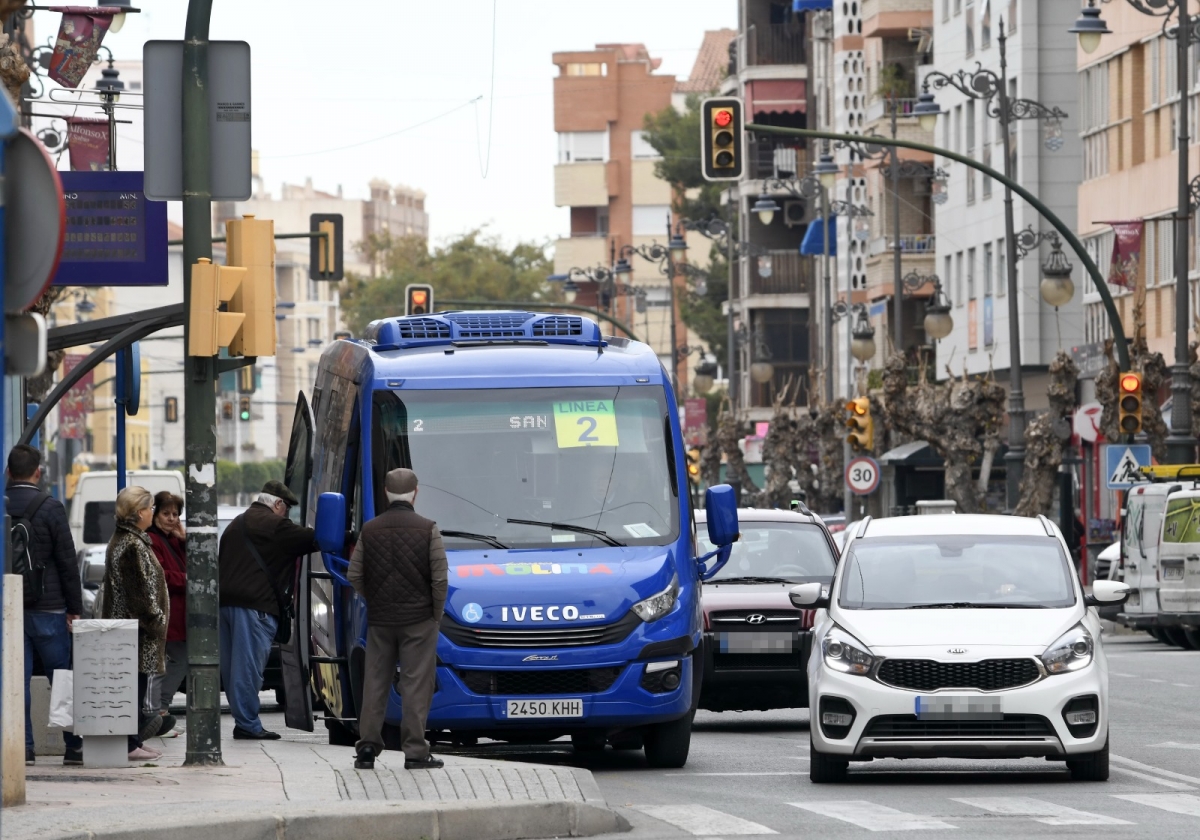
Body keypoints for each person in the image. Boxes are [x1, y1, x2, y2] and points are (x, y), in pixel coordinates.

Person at [350, 468, 447, 771]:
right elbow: (440, 579)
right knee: (415, 684)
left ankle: (367, 748)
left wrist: (374, 598)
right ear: (415, 493)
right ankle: (416, 752)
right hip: (419, 620)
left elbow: (354, 574)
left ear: (385, 493)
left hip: (380, 620)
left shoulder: (370, 529)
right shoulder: (427, 528)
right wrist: (435, 614)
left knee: (375, 683)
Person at [218, 480, 316, 740]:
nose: (286, 515)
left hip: (226, 605)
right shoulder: (274, 525)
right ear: (278, 504)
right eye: (286, 509)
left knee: (231, 669)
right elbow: (313, 539)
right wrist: (349, 534)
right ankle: (248, 724)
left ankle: (244, 720)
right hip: (255, 608)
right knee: (248, 668)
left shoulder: (236, 523)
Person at [6, 444, 84, 766]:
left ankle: (22, 748)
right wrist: (74, 607)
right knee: (61, 675)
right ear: (38, 472)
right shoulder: (51, 508)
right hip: (48, 608)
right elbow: (67, 563)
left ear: (9, 472)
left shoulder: (3, 506)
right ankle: (72, 746)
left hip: (9, 609)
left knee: (15, 680)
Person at [101, 485, 170, 761]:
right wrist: (157, 621)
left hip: (134, 631)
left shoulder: (131, 540)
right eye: (151, 507)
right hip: (135, 632)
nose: (152, 512)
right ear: (139, 512)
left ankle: (133, 741)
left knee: (135, 685)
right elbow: (139, 592)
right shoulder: (131, 545)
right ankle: (129, 744)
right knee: (132, 687)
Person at [147, 491, 187, 724]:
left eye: (175, 514)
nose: (171, 518)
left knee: (177, 660)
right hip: (165, 613)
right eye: (166, 513)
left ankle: (160, 708)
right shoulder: (152, 540)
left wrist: (184, 541)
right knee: (163, 664)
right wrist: (186, 579)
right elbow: (159, 575)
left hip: (179, 614)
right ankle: (157, 710)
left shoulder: (174, 540)